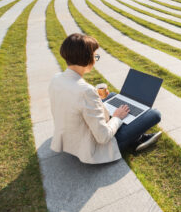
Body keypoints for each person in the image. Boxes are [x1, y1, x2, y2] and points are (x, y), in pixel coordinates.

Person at [48, 33, 162, 164]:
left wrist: (96, 97)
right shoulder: (85, 91)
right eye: (95, 56)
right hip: (94, 149)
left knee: (113, 96)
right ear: (87, 58)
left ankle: (136, 138)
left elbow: (73, 99)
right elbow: (103, 137)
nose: (96, 60)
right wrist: (117, 117)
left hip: (70, 138)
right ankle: (136, 140)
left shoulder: (56, 78)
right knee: (154, 114)